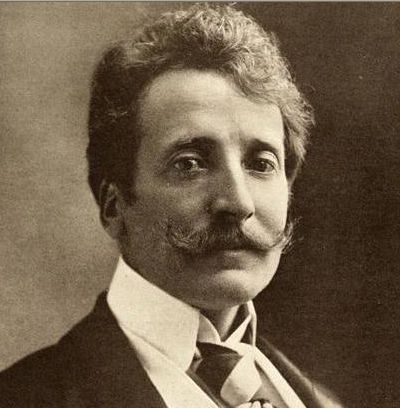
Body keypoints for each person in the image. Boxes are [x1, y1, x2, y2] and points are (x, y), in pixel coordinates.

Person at [0, 4, 343, 408]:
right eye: (190, 164)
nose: (238, 202)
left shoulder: (317, 400)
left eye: (261, 164)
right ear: (114, 205)